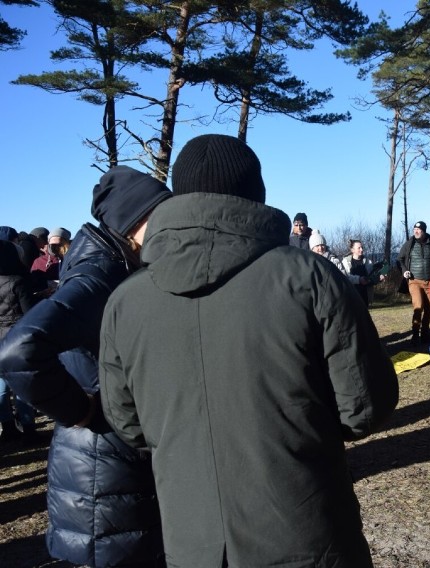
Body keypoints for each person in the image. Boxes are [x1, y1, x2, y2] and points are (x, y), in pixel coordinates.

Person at [98, 134, 398, 567]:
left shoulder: (125, 302)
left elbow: (129, 424)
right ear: (256, 194)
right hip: (307, 534)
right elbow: (365, 407)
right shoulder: (310, 278)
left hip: (192, 541)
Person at [0, 166, 169, 567]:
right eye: (160, 214)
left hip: (114, 463)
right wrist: (84, 411)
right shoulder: (99, 274)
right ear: (133, 221)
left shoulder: (120, 266)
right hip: (101, 465)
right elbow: (20, 350)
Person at [0, 238, 39, 444]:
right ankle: (29, 428)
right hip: (15, 337)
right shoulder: (17, 281)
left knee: (1, 386)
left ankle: (7, 427)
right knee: (22, 385)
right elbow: (29, 313)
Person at [397, 220, 430, 345]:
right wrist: (404, 270)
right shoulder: (409, 244)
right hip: (414, 281)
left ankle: (425, 334)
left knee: (428, 309)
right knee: (418, 306)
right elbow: (399, 259)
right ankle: (415, 335)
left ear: (424, 231)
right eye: (414, 230)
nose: (416, 231)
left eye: (419, 230)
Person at [342, 239, 385, 305]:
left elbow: (371, 277)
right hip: (351, 296)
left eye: (362, 247)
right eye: (359, 248)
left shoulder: (368, 262)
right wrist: (359, 279)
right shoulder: (345, 262)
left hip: (365, 296)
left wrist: (379, 278)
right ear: (352, 250)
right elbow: (345, 277)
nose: (361, 249)